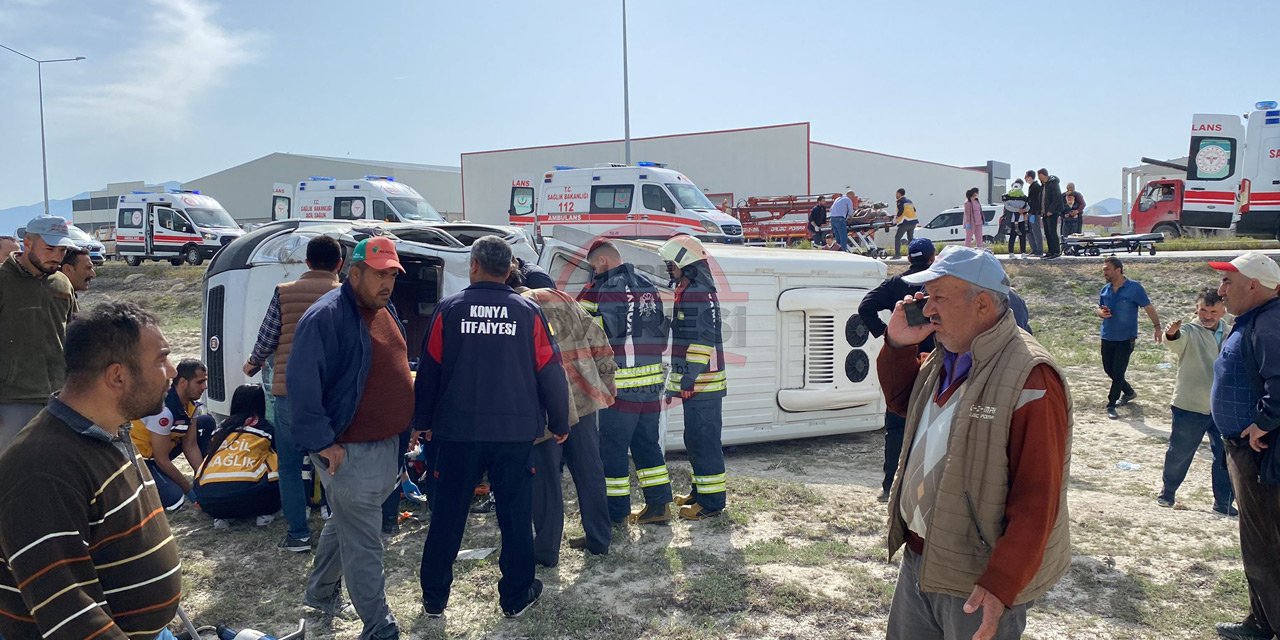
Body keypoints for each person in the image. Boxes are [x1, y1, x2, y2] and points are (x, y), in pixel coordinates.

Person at [878, 246, 1072, 640]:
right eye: (927, 298)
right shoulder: (945, 355)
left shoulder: (1032, 376)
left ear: (982, 303)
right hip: (923, 559)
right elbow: (903, 403)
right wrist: (898, 345)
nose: (928, 310)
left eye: (939, 298)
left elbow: (1039, 495)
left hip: (976, 579)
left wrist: (1002, 582)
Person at [0, 302, 182, 639]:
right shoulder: (41, 470)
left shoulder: (110, 432)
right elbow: (69, 612)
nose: (172, 371)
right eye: (161, 359)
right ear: (117, 376)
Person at [414, 236, 569, 619]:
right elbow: (552, 371)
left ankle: (434, 599)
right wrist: (560, 421)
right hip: (514, 434)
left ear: (474, 265)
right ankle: (517, 596)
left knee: (448, 515)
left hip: (456, 433)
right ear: (509, 270)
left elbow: (428, 371)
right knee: (515, 517)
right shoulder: (528, 312)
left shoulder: (449, 310)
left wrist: (422, 422)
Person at [289, 236, 413, 640]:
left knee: (345, 523)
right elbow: (302, 387)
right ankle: (379, 625)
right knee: (364, 541)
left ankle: (321, 592)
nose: (387, 283)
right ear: (353, 272)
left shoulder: (382, 308)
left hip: (384, 446)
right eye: (379, 275)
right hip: (349, 450)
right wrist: (323, 442)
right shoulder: (324, 317)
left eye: (392, 275)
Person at [511, 260, 616, 565]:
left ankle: (546, 552)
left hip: (544, 410)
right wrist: (606, 382)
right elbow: (599, 340)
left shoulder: (517, 306)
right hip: (583, 402)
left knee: (546, 483)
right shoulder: (566, 299)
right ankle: (599, 540)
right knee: (590, 472)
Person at [244, 234, 343, 553]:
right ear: (339, 264)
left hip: (289, 391)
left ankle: (299, 534)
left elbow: (267, 338)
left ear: (307, 262)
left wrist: (252, 364)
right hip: (332, 393)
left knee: (288, 463)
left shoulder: (284, 293)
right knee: (332, 460)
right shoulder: (345, 296)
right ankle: (333, 518)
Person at [1207, 252, 1280, 640]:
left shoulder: (1269, 324)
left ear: (1253, 285)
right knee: (1256, 543)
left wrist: (1262, 423)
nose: (1221, 291)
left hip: (1260, 455)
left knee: (1265, 545)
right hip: (1244, 451)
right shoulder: (1254, 320)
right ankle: (1260, 620)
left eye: (1228, 283)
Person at [580, 240, 673, 525]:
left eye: (594, 266)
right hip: (650, 382)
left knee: (612, 448)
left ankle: (615, 512)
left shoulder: (604, 289)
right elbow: (661, 329)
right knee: (647, 444)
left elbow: (597, 334)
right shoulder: (647, 285)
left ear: (604, 262)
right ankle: (659, 506)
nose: (593, 271)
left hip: (621, 384)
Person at [857, 237, 937, 502]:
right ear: (931, 258)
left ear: (909, 259)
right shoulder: (935, 286)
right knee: (932, 424)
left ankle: (889, 484)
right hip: (935, 361)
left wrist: (887, 336)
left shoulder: (896, 284)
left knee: (896, 425)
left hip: (902, 359)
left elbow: (865, 307)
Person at [661, 235, 729, 520]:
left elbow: (702, 342)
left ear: (685, 263)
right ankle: (700, 491)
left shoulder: (697, 293)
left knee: (704, 440)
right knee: (695, 439)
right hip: (698, 382)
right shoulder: (691, 289)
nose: (669, 268)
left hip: (703, 384)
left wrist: (688, 379)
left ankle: (711, 504)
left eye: (671, 264)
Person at [0, 215, 78, 455]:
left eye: (63, 249)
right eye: (50, 248)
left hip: (59, 398)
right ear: (28, 242)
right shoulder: (2, 281)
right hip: (12, 401)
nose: (57, 255)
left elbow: (76, 336)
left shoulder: (62, 283)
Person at [1157, 288, 1235, 515]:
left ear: (1223, 311)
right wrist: (1171, 333)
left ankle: (1223, 502)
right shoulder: (1189, 330)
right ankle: (1168, 492)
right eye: (1203, 310)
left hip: (1222, 407)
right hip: (1190, 404)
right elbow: (1175, 341)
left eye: (1213, 311)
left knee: (1224, 456)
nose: (1207, 316)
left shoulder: (1231, 332)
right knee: (1180, 452)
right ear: (1196, 309)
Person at [194, 384, 282, 527]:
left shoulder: (220, 429)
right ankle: (266, 512)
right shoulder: (265, 427)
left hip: (208, 501)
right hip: (251, 499)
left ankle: (222, 517)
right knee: (274, 458)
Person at [129, 357, 208, 511]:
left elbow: (190, 445)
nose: (204, 387)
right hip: (143, 458)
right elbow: (161, 459)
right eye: (199, 382)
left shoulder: (192, 406)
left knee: (206, 422)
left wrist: (203, 480)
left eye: (205, 381)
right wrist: (190, 492)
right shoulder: (163, 412)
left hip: (160, 450)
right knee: (175, 501)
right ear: (183, 382)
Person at [1097, 256, 1163, 420]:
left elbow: (1149, 308)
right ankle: (1129, 392)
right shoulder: (1105, 289)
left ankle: (1111, 404)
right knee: (1109, 369)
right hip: (1107, 336)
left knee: (1118, 372)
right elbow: (1099, 309)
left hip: (1126, 338)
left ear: (1118, 270)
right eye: (1103, 269)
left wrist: (1157, 327)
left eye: (1107, 269)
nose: (1104, 272)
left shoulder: (1134, 288)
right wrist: (1099, 313)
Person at [1037, 169, 1066, 259]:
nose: (1039, 178)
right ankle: (1050, 251)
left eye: (1040, 176)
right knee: (1047, 233)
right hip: (1044, 213)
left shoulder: (1053, 183)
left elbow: (1056, 198)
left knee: (1052, 232)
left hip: (1052, 213)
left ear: (1043, 175)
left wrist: (1051, 210)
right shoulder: (1043, 185)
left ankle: (1056, 251)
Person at [1003, 180, 1030, 258]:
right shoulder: (1008, 196)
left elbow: (1028, 206)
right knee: (1013, 236)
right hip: (1012, 220)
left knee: (1023, 236)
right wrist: (1018, 210)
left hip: (1021, 219)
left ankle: (1023, 253)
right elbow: (1007, 207)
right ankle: (1011, 253)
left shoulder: (1023, 196)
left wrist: (1024, 210)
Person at [1024, 171, 1045, 257]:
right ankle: (1034, 249)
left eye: (1026, 177)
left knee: (1036, 231)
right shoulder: (1032, 187)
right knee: (1029, 231)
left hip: (1034, 213)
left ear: (1029, 177)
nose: (1025, 179)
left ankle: (1039, 250)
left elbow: (1035, 202)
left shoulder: (1036, 187)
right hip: (1030, 213)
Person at [893, 188, 919, 258]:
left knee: (897, 238)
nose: (895, 195)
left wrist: (896, 218)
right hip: (913, 222)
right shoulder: (909, 201)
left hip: (905, 222)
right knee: (910, 239)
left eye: (896, 193)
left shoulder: (900, 201)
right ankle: (912, 254)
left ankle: (897, 254)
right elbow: (914, 210)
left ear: (899, 193)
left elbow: (901, 210)